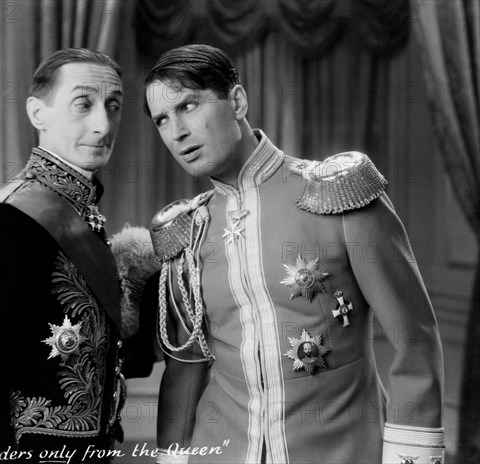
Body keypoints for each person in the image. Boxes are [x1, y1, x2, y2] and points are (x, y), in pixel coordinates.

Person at [144, 44, 445, 464]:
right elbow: (187, 370)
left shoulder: (337, 195)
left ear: (237, 101)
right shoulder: (186, 234)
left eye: (189, 105)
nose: (176, 131)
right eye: (161, 119)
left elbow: (415, 340)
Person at [0, 48, 157, 463]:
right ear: (38, 113)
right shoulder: (2, 220)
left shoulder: (86, 215)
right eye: (83, 104)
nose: (103, 124)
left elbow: (111, 358)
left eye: (114, 106)